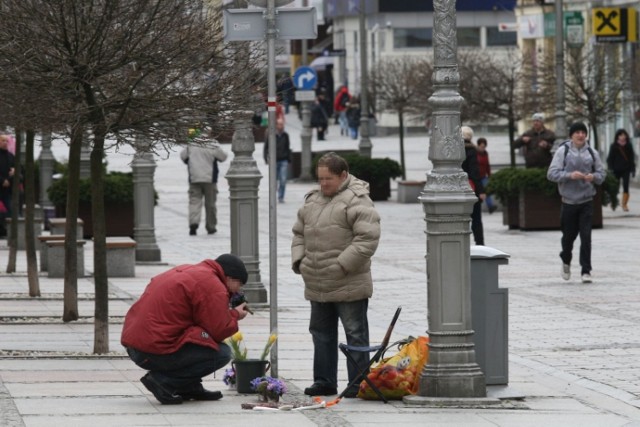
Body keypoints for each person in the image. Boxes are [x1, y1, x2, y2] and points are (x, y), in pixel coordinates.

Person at [291, 152, 381, 398]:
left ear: (343, 175)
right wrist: (300, 261)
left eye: (327, 179)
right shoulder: (312, 200)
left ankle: (358, 383)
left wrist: (341, 266)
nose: (322, 184)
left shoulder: (358, 200)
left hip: (348, 281)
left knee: (355, 333)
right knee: (321, 334)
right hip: (317, 281)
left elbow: (368, 238)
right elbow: (298, 233)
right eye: (319, 179)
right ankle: (324, 381)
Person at [121, 254, 251, 405]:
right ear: (230, 278)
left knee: (201, 336)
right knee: (220, 353)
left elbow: (205, 320)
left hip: (137, 345)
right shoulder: (213, 286)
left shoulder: (191, 271)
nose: (238, 290)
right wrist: (235, 314)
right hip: (154, 349)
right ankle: (162, 382)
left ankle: (188, 387)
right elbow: (219, 330)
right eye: (239, 284)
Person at [547, 122, 605, 284]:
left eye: (583, 132)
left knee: (586, 237)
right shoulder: (563, 151)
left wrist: (593, 177)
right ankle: (566, 260)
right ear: (571, 135)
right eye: (577, 132)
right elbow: (551, 174)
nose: (580, 135)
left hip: (586, 200)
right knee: (568, 238)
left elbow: (601, 174)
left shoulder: (592, 153)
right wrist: (569, 175)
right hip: (568, 202)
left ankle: (586, 270)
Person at [180, 128, 228, 236]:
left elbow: (183, 156)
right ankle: (211, 227)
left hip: (194, 178)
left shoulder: (191, 144)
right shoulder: (213, 144)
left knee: (194, 201)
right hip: (209, 179)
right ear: (209, 132)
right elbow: (223, 157)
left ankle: (194, 223)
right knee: (210, 204)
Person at [461, 126, 486, 246]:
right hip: (471, 188)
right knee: (476, 218)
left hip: (457, 188)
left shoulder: (454, 150)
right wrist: (481, 191)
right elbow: (475, 172)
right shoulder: (472, 150)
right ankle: (479, 243)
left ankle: (460, 242)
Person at [607, 128, 636, 212]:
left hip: (626, 170)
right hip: (616, 170)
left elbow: (631, 158)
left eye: (624, 135)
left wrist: (633, 169)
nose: (622, 137)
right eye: (620, 135)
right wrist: (610, 169)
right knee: (615, 187)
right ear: (617, 136)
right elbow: (610, 159)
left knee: (626, 186)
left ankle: (624, 204)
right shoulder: (614, 146)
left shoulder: (628, 145)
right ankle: (614, 203)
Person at [263, 118, 292, 203]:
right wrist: (265, 158)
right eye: (279, 124)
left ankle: (281, 197)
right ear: (276, 125)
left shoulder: (285, 135)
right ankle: (273, 195)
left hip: (283, 160)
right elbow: (266, 147)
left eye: (282, 124)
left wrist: (288, 158)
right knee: (274, 180)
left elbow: (288, 147)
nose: (281, 126)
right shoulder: (271, 135)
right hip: (274, 161)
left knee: (283, 179)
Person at [476, 137, 497, 214]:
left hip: (484, 176)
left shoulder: (486, 153)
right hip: (476, 177)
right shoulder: (474, 153)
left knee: (487, 191)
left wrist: (489, 175)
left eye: (484, 147)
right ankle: (478, 208)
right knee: (478, 193)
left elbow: (487, 165)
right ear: (478, 146)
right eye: (481, 146)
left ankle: (490, 206)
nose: (483, 148)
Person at [0, 134, 15, 238]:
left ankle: (8, 233)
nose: (5, 142)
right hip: (2, 184)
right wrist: (2, 180)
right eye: (3, 140)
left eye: (6, 141)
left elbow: (18, 168)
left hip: (7, 188)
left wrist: (15, 170)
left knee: (10, 210)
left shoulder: (10, 155)